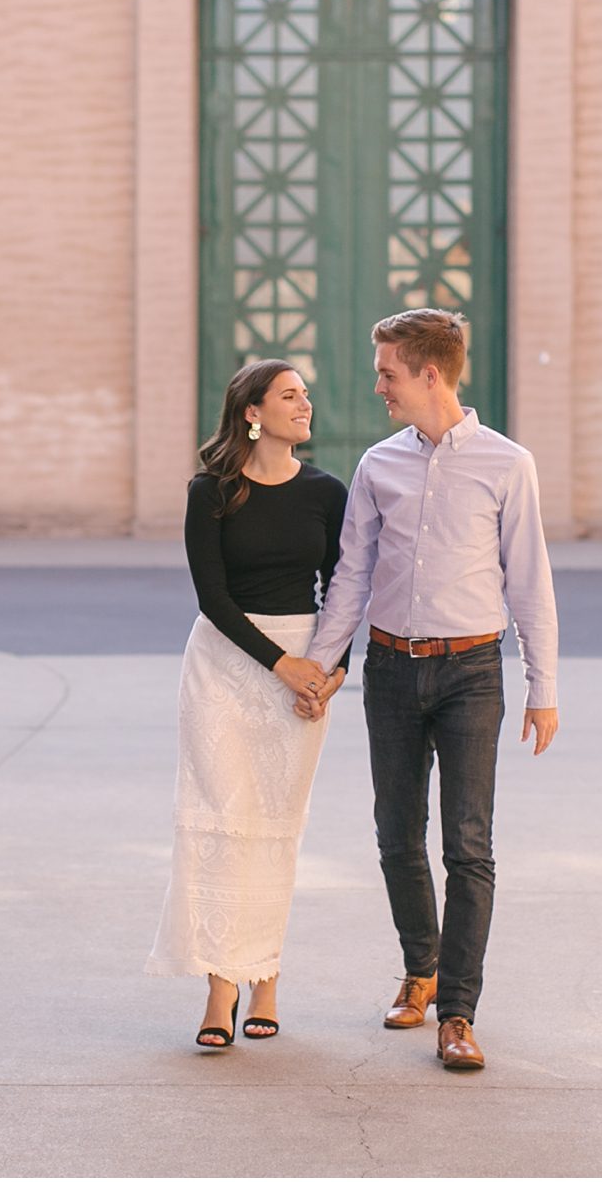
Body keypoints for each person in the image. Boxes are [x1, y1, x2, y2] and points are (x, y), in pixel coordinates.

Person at [302, 308, 560, 1072]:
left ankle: (458, 1013)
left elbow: (530, 580)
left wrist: (543, 685)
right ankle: (422, 969)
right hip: (389, 669)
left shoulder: (508, 464)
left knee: (468, 845)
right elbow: (350, 576)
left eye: (386, 372)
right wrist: (320, 666)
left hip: (472, 673)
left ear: (429, 375)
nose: (377, 386)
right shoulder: (378, 465)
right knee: (396, 835)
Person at [147, 360, 350, 1048]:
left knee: (275, 826)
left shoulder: (327, 491)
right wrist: (283, 665)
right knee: (219, 821)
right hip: (224, 666)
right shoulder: (211, 491)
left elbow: (346, 589)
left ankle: (265, 974)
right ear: (253, 412)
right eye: (291, 396)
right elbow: (214, 597)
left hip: (304, 664)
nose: (307, 405)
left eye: (306, 396)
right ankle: (219, 986)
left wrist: (329, 670)